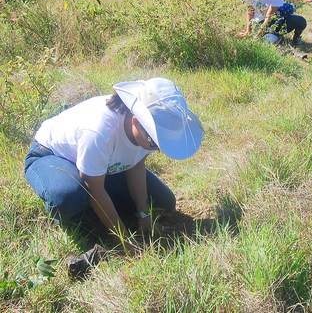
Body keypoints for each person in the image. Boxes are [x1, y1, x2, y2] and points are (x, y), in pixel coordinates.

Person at [24, 78, 203, 243]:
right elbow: (95, 190)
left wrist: (143, 214)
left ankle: (103, 203)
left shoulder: (147, 134)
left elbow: (136, 164)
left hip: (103, 164)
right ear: (136, 121)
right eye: (153, 142)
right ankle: (78, 216)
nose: (155, 148)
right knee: (68, 196)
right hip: (52, 155)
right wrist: (124, 240)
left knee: (164, 202)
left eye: (160, 144)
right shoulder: (99, 132)